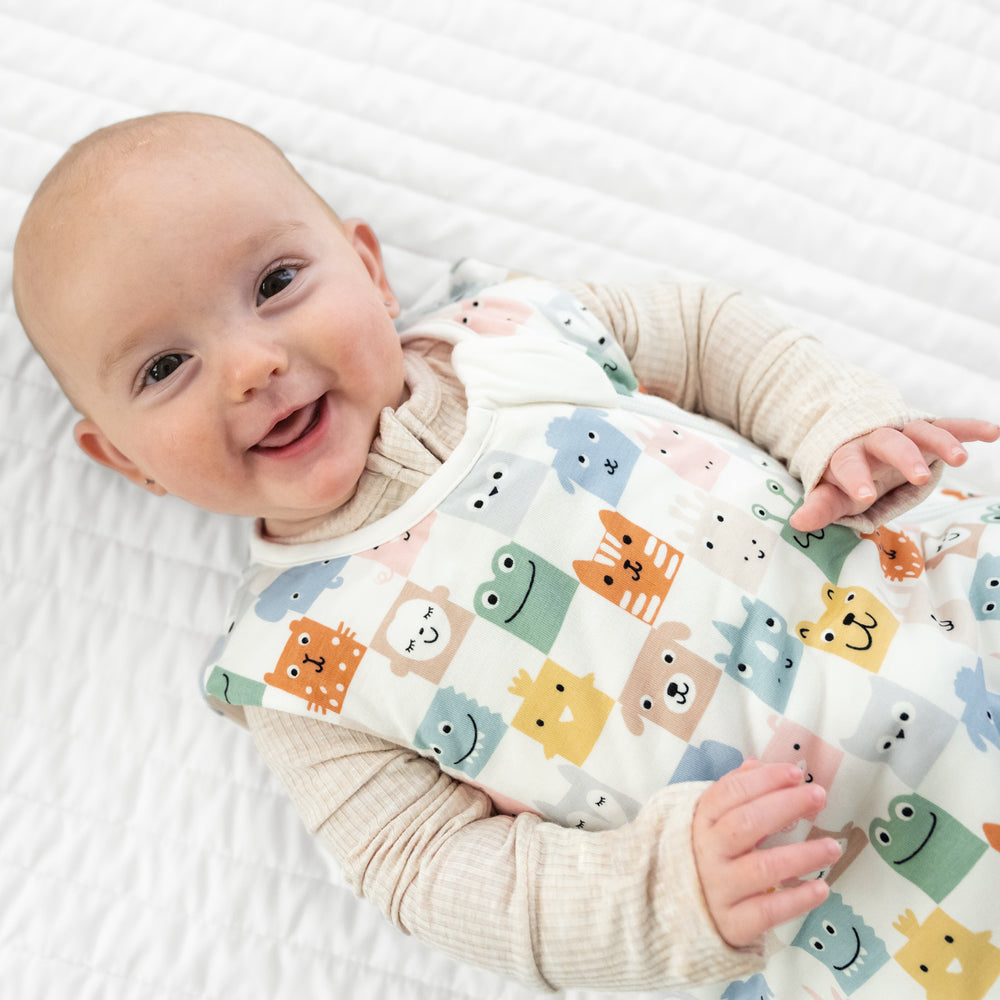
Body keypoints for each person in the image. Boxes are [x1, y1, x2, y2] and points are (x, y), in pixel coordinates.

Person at [12, 112, 1000, 997]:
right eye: (164, 366)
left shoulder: (519, 329)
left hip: (940, 599)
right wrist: (661, 892)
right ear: (125, 460)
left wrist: (832, 422)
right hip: (846, 901)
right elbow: (423, 866)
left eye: (275, 283)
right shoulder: (287, 669)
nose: (249, 365)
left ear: (370, 267)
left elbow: (706, 334)